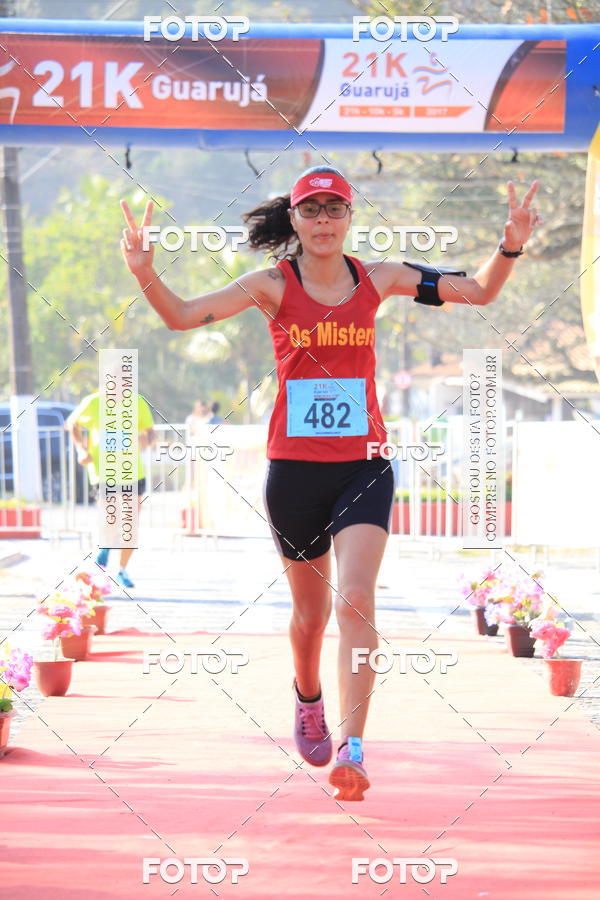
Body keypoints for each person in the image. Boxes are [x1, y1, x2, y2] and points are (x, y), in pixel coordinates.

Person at [119, 166, 541, 800]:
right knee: (311, 617)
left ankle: (353, 745)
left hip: (364, 466)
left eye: (334, 209)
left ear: (349, 217)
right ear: (294, 219)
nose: (323, 220)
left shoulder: (382, 278)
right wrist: (144, 272)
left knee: (358, 599)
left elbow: (479, 291)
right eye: (311, 210)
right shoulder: (271, 284)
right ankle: (307, 693)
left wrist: (509, 245)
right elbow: (180, 316)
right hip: (293, 472)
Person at [65, 391, 155, 588]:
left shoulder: (138, 401)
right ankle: (104, 551)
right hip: (104, 473)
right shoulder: (93, 401)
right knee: (110, 518)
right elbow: (71, 423)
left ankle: (121, 570)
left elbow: (150, 432)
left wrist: (145, 441)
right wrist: (80, 449)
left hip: (133, 473)